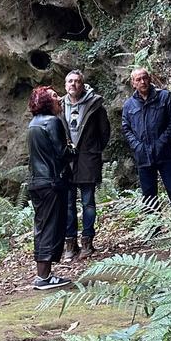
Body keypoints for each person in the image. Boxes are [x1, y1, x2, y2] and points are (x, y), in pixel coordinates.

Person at [121, 67, 171, 210]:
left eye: (144, 78)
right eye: (138, 79)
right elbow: (126, 129)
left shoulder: (164, 96)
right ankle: (153, 231)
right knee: (149, 197)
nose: (142, 82)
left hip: (165, 153)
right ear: (133, 83)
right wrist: (137, 146)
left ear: (149, 78)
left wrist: (161, 142)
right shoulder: (129, 105)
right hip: (143, 156)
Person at [26, 85, 73, 290]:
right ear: (46, 101)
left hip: (38, 182)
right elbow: (61, 153)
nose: (60, 99)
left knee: (43, 226)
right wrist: (73, 149)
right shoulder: (52, 122)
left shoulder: (32, 124)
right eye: (55, 97)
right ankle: (43, 277)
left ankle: (45, 275)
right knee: (51, 228)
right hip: (52, 182)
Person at [61, 69, 111, 260]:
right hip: (67, 162)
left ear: (82, 85)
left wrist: (94, 149)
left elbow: (104, 132)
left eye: (77, 82)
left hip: (88, 160)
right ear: (65, 85)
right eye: (70, 81)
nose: (73, 84)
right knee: (68, 204)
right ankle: (70, 243)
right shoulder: (59, 105)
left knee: (88, 202)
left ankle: (87, 241)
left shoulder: (94, 105)